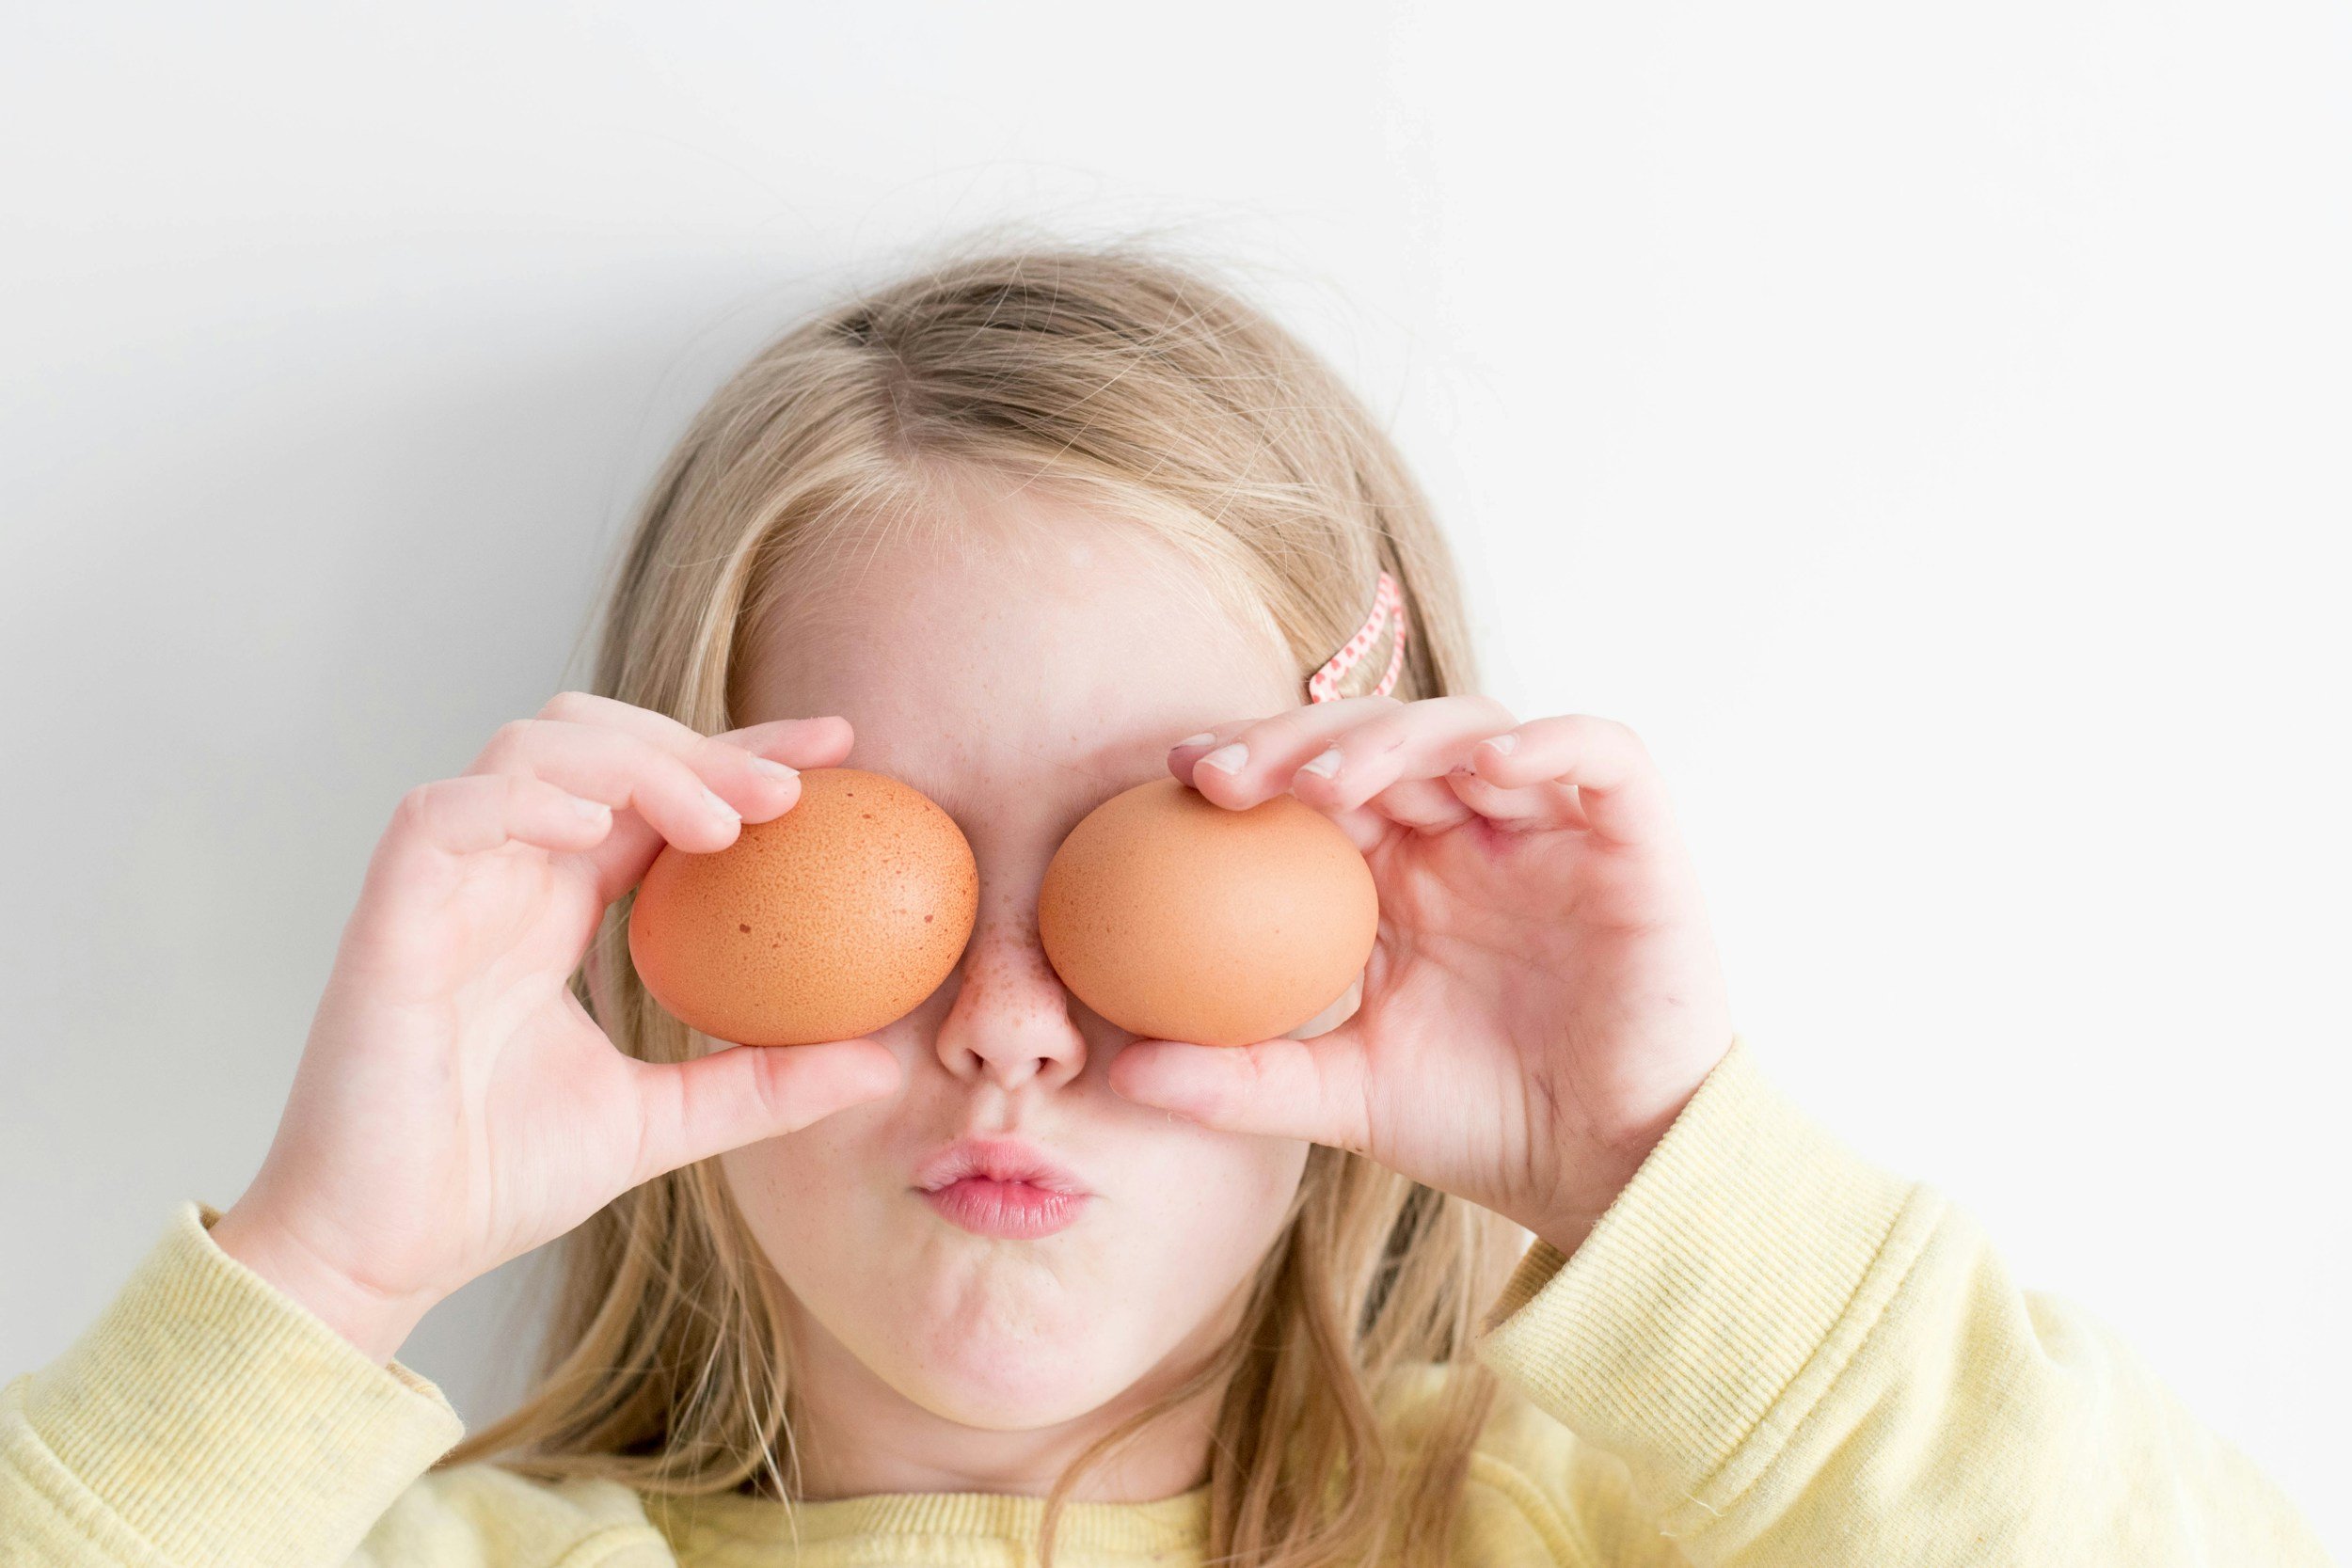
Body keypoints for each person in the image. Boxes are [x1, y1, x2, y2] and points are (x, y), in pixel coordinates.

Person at [2, 236, 2329, 1567]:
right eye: (880, 875)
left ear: (1373, 900)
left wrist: (1659, 1176)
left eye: (1161, 862)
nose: (1013, 1021)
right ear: (654, 924)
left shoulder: (1626, 1533)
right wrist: (328, 1271)